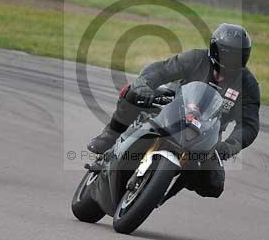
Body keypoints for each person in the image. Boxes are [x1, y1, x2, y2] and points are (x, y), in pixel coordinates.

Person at [87, 23, 260, 198]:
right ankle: (111, 134)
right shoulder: (196, 59)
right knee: (132, 92)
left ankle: (166, 184)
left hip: (207, 135)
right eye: (226, 54)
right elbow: (161, 70)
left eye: (237, 57)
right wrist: (145, 86)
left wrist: (228, 148)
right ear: (215, 49)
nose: (230, 62)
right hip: (171, 108)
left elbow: (249, 125)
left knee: (214, 185)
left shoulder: (248, 85)